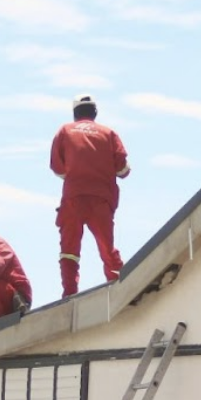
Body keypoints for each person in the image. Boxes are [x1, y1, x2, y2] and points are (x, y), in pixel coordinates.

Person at [49, 94, 130, 297]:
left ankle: (69, 294)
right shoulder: (109, 133)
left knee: (69, 250)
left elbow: (57, 167)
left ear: (75, 113)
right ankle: (120, 288)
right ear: (95, 112)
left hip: (73, 197)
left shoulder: (64, 131)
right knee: (107, 248)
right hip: (101, 199)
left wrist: (76, 174)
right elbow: (123, 170)